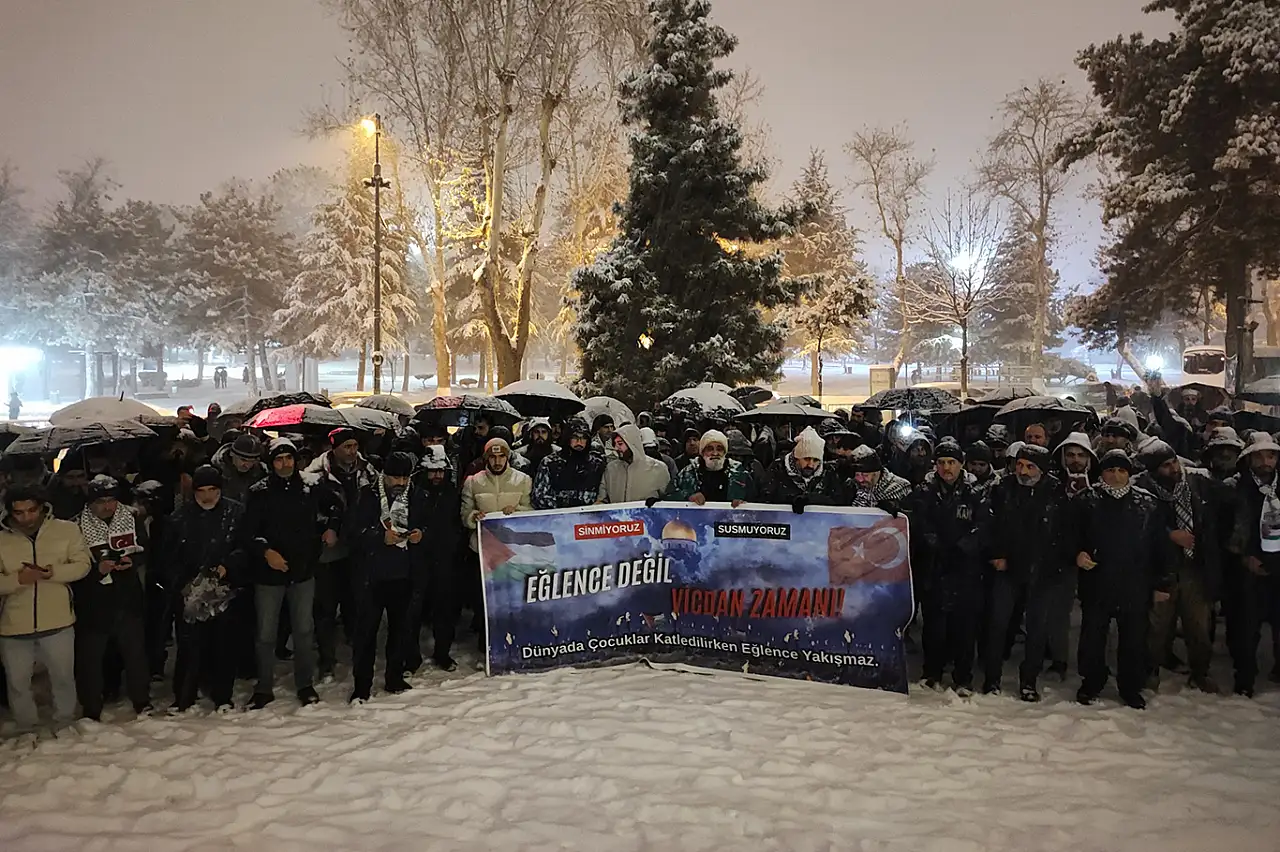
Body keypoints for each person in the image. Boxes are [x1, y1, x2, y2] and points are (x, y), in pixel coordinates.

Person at [241, 438, 342, 709]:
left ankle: (305, 684)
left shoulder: (311, 486)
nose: (284, 464)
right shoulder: (259, 492)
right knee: (265, 634)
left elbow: (336, 506)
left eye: (288, 458)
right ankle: (263, 687)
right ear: (271, 462)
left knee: (304, 631)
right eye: (279, 459)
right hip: (268, 574)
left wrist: (331, 528)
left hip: (303, 570)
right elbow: (247, 532)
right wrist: (266, 552)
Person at [1073, 450, 1173, 709]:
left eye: (1121, 471)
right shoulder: (1086, 500)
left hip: (1135, 583)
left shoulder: (1148, 503)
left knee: (1134, 639)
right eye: (1110, 470)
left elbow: (1160, 546)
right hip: (1097, 580)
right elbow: (1070, 534)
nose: (1116, 476)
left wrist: (1162, 583)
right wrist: (1077, 553)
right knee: (1093, 636)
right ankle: (1092, 681)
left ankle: (1131, 686)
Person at [0, 487, 91, 731]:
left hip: (58, 619)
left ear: (42, 507)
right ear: (9, 512)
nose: (26, 517)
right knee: (18, 683)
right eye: (19, 513)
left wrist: (53, 572)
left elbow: (83, 564)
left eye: (32, 510)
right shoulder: (1, 539)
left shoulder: (66, 530)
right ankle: (26, 726)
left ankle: (65, 721)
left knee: (63, 677)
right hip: (13, 623)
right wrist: (17, 580)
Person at [1134, 440, 1221, 694]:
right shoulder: (1142, 489)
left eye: (1173, 462)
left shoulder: (1197, 483)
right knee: (1157, 626)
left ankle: (1200, 672)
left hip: (1195, 566)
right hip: (1161, 569)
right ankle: (1149, 671)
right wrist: (1169, 535)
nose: (1173, 469)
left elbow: (1215, 520)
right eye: (1165, 466)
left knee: (1198, 626)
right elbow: (1138, 528)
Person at [984, 444, 1069, 701]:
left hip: (1041, 570)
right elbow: (991, 524)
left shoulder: (1056, 492)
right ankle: (991, 679)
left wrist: (1054, 563)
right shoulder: (1003, 489)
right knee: (997, 624)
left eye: (1030, 466)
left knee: (1037, 628)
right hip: (1007, 568)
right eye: (1020, 465)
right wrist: (997, 554)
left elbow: (1064, 532)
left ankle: (1029, 681)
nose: (1023, 471)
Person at [908, 439, 989, 695]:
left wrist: (966, 544)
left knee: (964, 627)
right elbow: (917, 521)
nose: (946, 468)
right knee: (934, 626)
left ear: (961, 464)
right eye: (941, 462)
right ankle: (932, 672)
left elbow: (984, 525)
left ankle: (963, 678)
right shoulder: (924, 491)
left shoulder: (975, 492)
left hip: (965, 568)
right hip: (934, 566)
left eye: (951, 462)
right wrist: (929, 539)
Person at [162, 465, 245, 713]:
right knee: (189, 647)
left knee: (224, 645)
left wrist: (228, 567)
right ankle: (184, 697)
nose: (207, 496)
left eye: (212, 490)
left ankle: (223, 696)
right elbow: (167, 557)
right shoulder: (179, 518)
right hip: (190, 592)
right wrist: (184, 584)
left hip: (226, 591)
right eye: (202, 490)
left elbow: (245, 547)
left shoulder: (235, 513)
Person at [73, 475, 152, 720]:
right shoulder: (75, 525)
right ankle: (91, 708)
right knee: (90, 660)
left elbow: (145, 549)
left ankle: (142, 701)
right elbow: (72, 564)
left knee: (135, 654)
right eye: (101, 501)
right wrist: (97, 571)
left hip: (127, 598)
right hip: (93, 603)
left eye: (112, 500)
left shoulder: (131, 518)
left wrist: (132, 560)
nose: (108, 506)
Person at [349, 452, 423, 702]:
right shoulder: (367, 495)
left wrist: (420, 534)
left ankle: (394, 677)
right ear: (384, 475)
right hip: (372, 576)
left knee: (400, 631)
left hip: (404, 574)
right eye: (395, 478)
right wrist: (379, 537)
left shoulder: (416, 495)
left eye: (405, 478)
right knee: (365, 634)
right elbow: (353, 532)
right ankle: (362, 686)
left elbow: (429, 525)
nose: (400, 483)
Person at [306, 427, 377, 682]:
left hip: (358, 546)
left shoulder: (368, 471)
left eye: (355, 446)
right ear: (334, 448)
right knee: (325, 605)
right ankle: (326, 658)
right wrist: (326, 527)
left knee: (356, 601)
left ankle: (356, 645)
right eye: (347, 446)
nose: (352, 451)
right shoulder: (316, 475)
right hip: (329, 549)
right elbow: (310, 511)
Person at [1224, 431, 1280, 697]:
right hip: (1246, 567)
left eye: (1271, 456)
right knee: (1246, 627)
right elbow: (1223, 528)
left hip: (1277, 562)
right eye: (1260, 456)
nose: (1266, 462)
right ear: (1249, 459)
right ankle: (1245, 678)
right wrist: (1244, 555)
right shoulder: (1234, 488)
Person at [406, 445, 464, 672]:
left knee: (444, 610)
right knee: (413, 611)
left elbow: (455, 524)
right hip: (418, 558)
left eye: (440, 471)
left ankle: (443, 653)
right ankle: (411, 657)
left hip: (445, 558)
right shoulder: (413, 493)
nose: (437, 475)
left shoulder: (451, 493)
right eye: (433, 471)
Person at [461, 437, 533, 553]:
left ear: (507, 457)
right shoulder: (473, 481)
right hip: (482, 549)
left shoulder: (523, 480)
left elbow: (531, 512)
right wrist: (474, 517)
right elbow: (465, 513)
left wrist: (516, 511)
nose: (497, 461)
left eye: (501, 456)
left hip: (513, 546)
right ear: (486, 458)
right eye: (492, 457)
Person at [758, 426, 847, 512]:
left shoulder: (828, 473)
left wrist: (811, 499)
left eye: (816, 460)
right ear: (797, 457)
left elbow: (838, 503)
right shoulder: (778, 469)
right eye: (806, 459)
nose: (811, 465)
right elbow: (765, 500)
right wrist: (792, 499)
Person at [532, 419, 606, 510]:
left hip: (590, 516)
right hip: (557, 515)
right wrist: (566, 509)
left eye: (583, 438)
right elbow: (539, 497)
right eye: (575, 437)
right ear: (567, 438)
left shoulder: (597, 464)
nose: (579, 442)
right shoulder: (550, 463)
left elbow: (604, 497)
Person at [667, 430, 753, 507]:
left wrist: (743, 503)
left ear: (725, 452)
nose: (715, 453)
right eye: (710, 449)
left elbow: (756, 499)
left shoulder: (740, 473)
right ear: (702, 452)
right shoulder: (688, 473)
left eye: (719, 449)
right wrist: (688, 496)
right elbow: (668, 495)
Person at [599, 424, 671, 504]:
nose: (616, 448)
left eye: (620, 444)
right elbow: (602, 500)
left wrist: (658, 504)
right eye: (614, 444)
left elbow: (669, 500)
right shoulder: (611, 469)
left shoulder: (658, 469)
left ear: (632, 444)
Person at [847, 446, 912, 513]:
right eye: (857, 475)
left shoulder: (900, 487)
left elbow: (911, 514)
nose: (860, 480)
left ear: (876, 473)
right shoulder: (852, 486)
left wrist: (897, 508)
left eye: (865, 475)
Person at [210, 432, 268, 503]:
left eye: (252, 461)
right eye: (243, 460)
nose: (247, 465)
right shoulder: (214, 473)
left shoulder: (262, 473)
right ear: (232, 453)